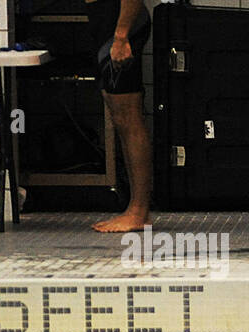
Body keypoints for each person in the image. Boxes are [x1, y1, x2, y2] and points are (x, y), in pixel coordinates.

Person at [85, 0, 153, 233]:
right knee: (122, 119)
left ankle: (139, 211)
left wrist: (122, 36)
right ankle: (135, 208)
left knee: (129, 118)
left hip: (120, 22)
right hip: (107, 19)